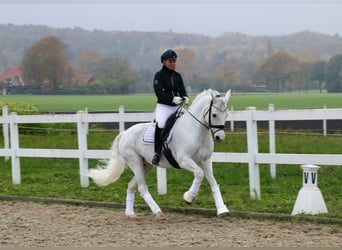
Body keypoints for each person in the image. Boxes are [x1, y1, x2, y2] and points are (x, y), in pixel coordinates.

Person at [151, 49, 189, 165]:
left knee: (188, 122)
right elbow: (159, 93)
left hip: (177, 107)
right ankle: (157, 152)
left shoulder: (177, 76)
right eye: (170, 61)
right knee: (161, 124)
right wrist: (171, 99)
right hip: (164, 106)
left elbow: (182, 90)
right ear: (164, 61)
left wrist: (185, 97)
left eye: (174, 61)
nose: (173, 63)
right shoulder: (159, 75)